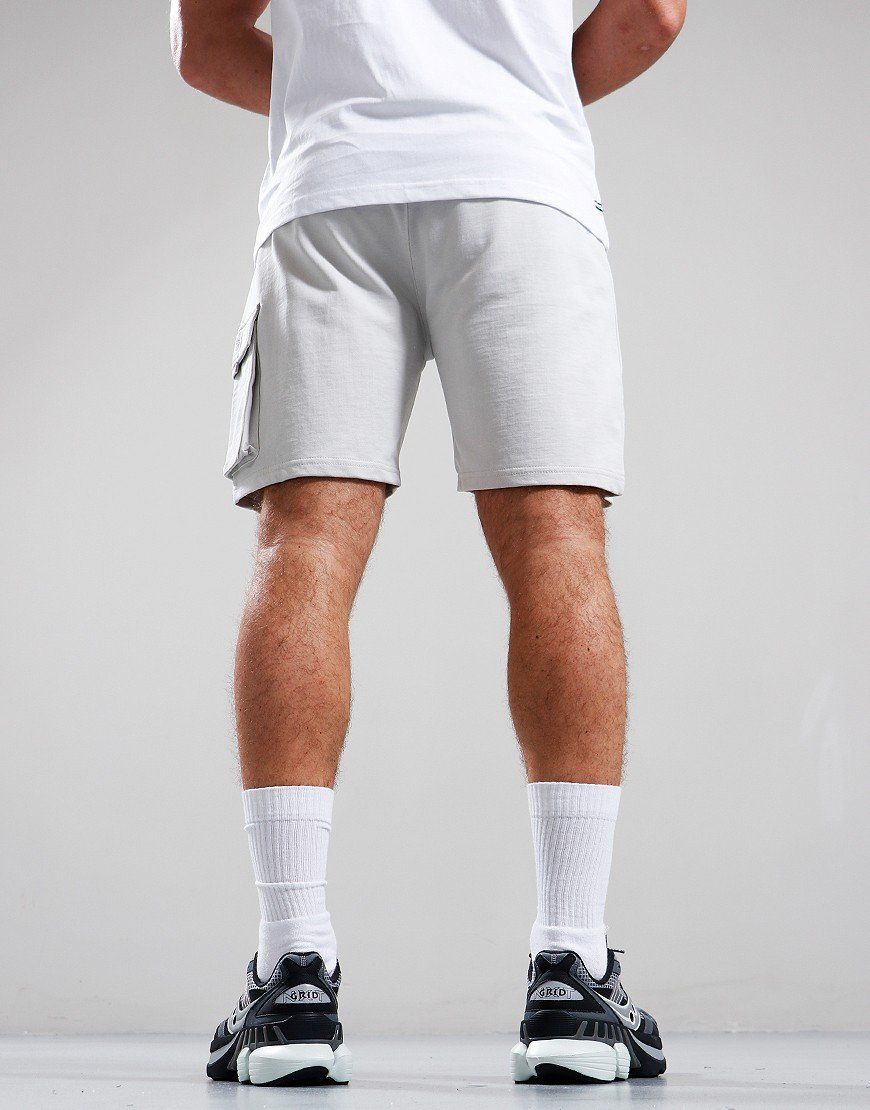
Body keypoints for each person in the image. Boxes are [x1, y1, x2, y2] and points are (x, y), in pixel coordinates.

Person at [172, 0, 685, 1087]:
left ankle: (292, 975)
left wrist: (351, 92)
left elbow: (205, 47)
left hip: (332, 186)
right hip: (521, 181)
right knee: (558, 545)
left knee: (303, 547)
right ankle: (572, 973)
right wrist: (507, 90)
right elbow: (650, 15)